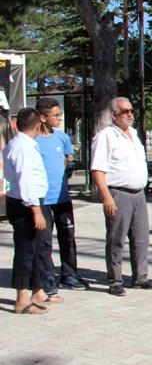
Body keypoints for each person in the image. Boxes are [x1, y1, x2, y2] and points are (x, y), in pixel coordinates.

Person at [91, 97, 152, 296]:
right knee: (117, 239)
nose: (130, 115)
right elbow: (97, 169)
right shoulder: (106, 136)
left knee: (141, 238)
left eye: (131, 110)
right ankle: (115, 280)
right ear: (114, 115)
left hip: (138, 193)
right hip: (118, 193)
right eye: (125, 111)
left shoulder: (134, 133)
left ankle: (141, 277)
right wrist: (106, 197)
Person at [4, 107, 63, 314]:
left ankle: (37, 290)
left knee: (37, 247)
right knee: (25, 251)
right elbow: (26, 180)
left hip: (28, 201)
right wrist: (36, 210)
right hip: (26, 204)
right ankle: (21, 299)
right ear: (38, 125)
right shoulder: (24, 148)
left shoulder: (20, 143)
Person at [35, 98, 89, 292]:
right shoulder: (33, 141)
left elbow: (67, 160)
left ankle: (69, 275)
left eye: (60, 114)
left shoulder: (62, 138)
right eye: (55, 115)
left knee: (68, 237)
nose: (59, 118)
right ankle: (47, 278)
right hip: (42, 199)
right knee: (44, 241)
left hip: (62, 198)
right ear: (43, 117)